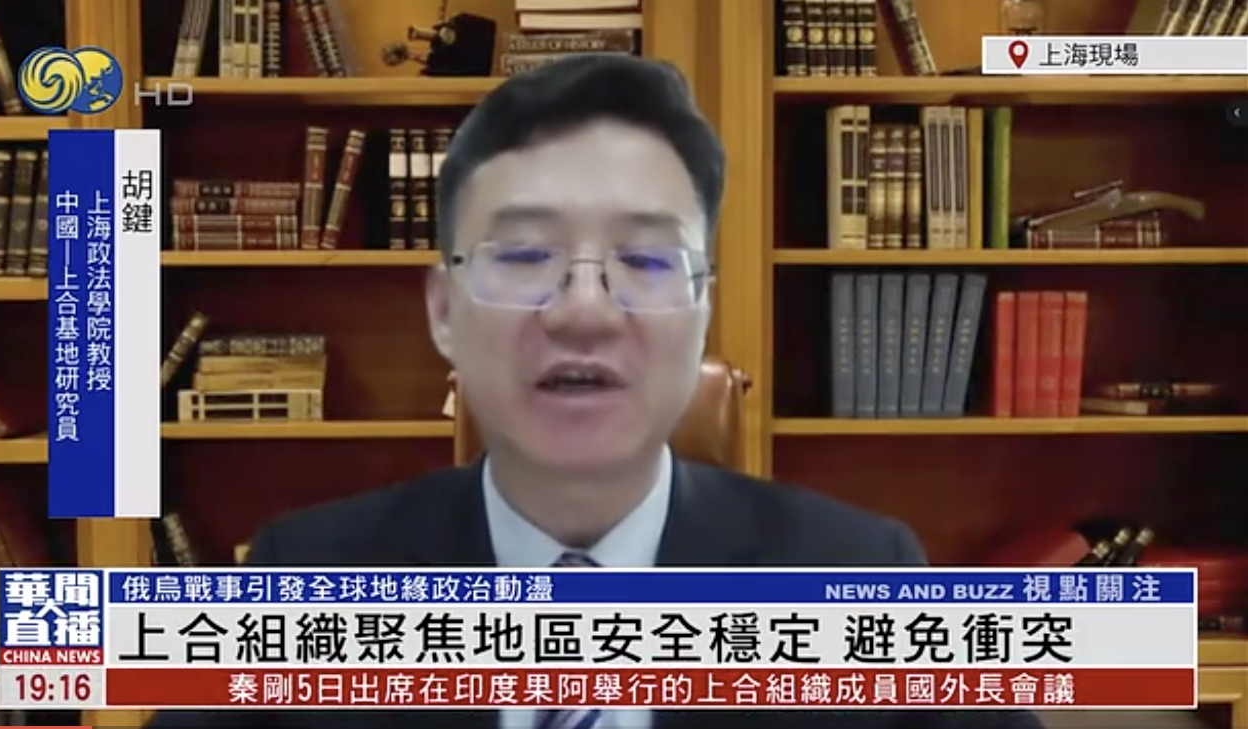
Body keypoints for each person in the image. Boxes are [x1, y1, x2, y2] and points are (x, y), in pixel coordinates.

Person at [148, 55, 1042, 728]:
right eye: (523, 253)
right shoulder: (303, 581)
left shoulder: (864, 579)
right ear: (443, 311)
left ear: (703, 309)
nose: (584, 309)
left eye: (647, 259)